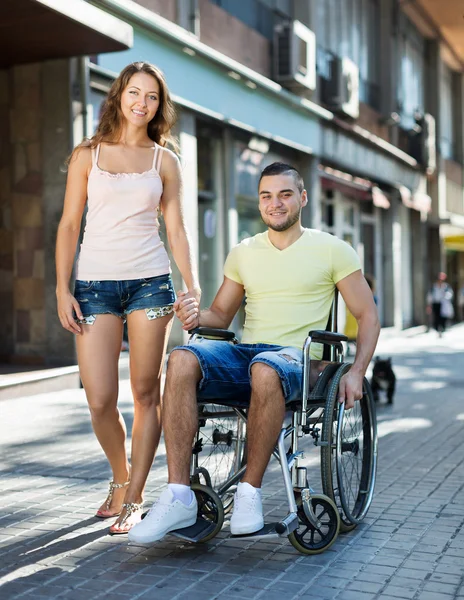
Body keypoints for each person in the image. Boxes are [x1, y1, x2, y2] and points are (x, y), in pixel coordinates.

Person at [128, 162, 380, 544]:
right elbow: (220, 316)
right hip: (248, 354)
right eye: (266, 196)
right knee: (181, 358)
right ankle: (179, 495)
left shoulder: (333, 250)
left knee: (266, 367)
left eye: (284, 194)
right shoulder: (244, 252)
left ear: (303, 198)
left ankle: (250, 493)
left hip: (300, 358)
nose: (275, 203)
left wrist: (357, 371)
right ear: (258, 202)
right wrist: (194, 313)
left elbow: (368, 315)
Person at [55, 62, 200, 535]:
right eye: (135, 92)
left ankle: (135, 497)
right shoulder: (88, 155)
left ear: (160, 105)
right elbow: (69, 225)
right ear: (119, 95)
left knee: (144, 393)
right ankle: (120, 477)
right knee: (99, 398)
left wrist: (190, 284)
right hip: (93, 286)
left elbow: (175, 229)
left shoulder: (165, 161)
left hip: (150, 284)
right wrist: (62, 287)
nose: (142, 102)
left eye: (152, 96)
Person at [426, 272, 454, 337]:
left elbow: (450, 294)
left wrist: (446, 296)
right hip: (436, 304)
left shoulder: (446, 287)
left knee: (443, 317)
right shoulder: (434, 287)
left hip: (443, 304)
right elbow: (430, 296)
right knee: (436, 317)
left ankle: (442, 329)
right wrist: (429, 305)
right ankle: (438, 330)